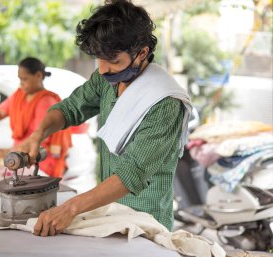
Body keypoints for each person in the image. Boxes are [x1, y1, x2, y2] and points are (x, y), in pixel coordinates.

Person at [17, 0, 192, 236]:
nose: (102, 69)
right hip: (109, 213)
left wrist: (70, 209)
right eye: (98, 58)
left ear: (141, 53)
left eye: (113, 60)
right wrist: (37, 135)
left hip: (145, 225)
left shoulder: (165, 103)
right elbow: (70, 109)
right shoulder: (108, 79)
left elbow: (131, 174)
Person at [0, 57, 72, 178]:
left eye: (24, 79)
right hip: (19, 156)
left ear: (38, 75)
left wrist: (6, 152)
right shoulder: (19, 95)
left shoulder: (46, 101)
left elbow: (39, 137)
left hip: (39, 160)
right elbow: (0, 113)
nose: (21, 83)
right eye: (20, 79)